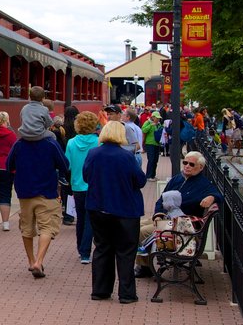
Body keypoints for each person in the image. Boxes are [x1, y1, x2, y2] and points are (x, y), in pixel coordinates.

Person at [83, 121, 147, 304]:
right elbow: (140, 180)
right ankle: (126, 293)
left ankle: (100, 290)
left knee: (103, 247)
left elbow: (86, 176)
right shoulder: (126, 156)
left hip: (98, 206)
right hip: (125, 209)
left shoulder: (93, 153)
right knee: (126, 251)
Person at [134, 150, 223, 277]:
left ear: (201, 167)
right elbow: (161, 199)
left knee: (142, 231)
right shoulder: (177, 179)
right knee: (135, 225)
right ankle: (145, 263)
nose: (187, 166)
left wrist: (211, 197)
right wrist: (158, 214)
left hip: (181, 226)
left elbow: (218, 195)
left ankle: (145, 267)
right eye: (185, 162)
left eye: (191, 164)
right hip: (166, 218)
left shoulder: (203, 184)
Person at [6, 110, 70, 279]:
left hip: (24, 192)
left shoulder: (19, 144)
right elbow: (64, 164)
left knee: (27, 228)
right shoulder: (50, 143)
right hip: (47, 191)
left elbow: (8, 164)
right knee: (47, 227)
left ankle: (31, 260)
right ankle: (39, 261)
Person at [65, 110, 100, 264]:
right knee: (90, 219)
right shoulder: (98, 142)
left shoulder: (71, 142)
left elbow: (68, 164)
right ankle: (86, 252)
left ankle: (81, 249)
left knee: (80, 218)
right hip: (94, 185)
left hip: (77, 185)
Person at [142, 111, 163, 179]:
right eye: (157, 118)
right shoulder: (147, 122)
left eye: (159, 118)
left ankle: (153, 175)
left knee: (155, 160)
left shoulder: (158, 124)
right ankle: (148, 176)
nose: (158, 119)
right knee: (151, 159)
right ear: (153, 117)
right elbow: (143, 130)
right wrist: (150, 125)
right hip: (150, 143)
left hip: (157, 143)